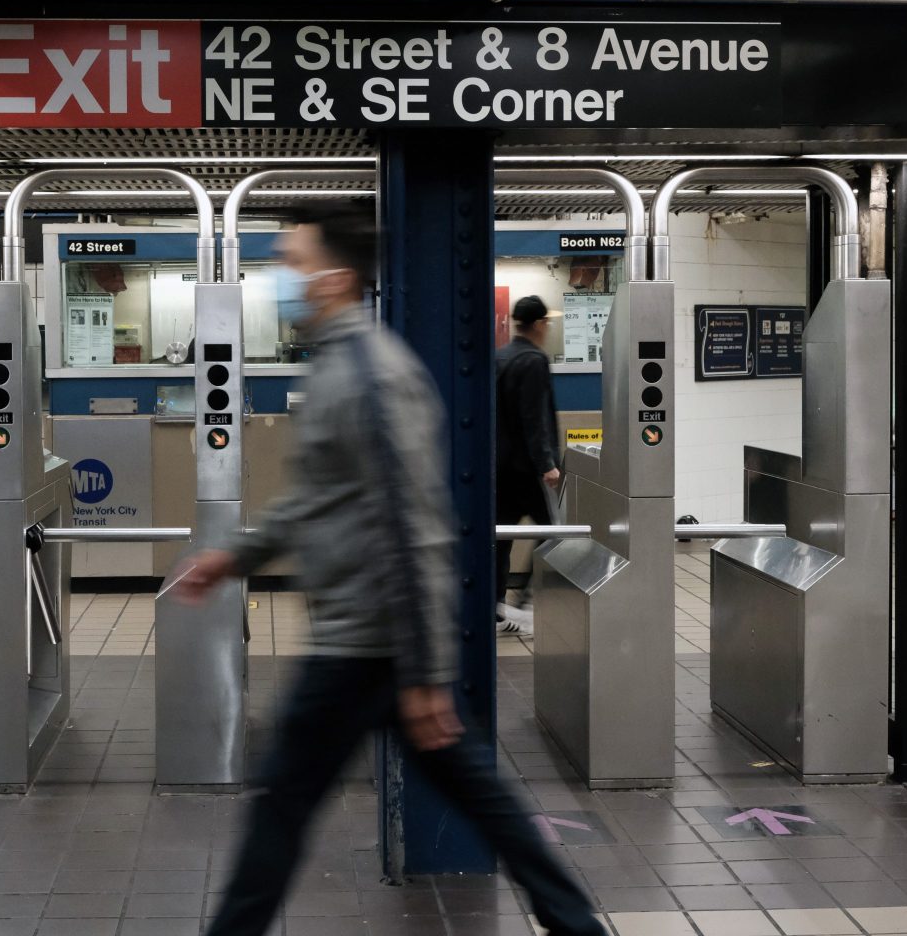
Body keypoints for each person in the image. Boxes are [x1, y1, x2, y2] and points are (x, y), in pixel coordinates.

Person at [173, 203, 605, 936]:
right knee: (475, 794)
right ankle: (573, 922)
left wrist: (426, 672)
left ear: (336, 279)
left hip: (366, 645)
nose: (287, 279)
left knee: (284, 804)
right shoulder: (344, 365)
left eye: (295, 264)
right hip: (370, 641)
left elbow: (415, 526)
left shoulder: (371, 375)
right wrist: (232, 557)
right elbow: (317, 499)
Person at [494, 295, 563, 637]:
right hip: (527, 471)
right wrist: (547, 464)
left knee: (499, 539)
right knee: (553, 533)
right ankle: (524, 605)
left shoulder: (500, 357)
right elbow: (533, 418)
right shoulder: (533, 360)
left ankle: (495, 607)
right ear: (538, 325)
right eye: (546, 323)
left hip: (500, 469)